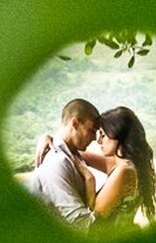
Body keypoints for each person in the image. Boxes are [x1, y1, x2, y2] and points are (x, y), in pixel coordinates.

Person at [34, 105, 156, 229]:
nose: (98, 140)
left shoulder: (124, 171)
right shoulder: (122, 165)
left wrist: (89, 178)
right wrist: (48, 138)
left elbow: (94, 218)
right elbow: (69, 151)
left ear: (118, 135)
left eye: (103, 135)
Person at [27, 98, 101, 230]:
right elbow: (81, 222)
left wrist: (90, 178)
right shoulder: (56, 162)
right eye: (92, 131)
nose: (94, 138)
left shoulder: (72, 156)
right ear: (75, 123)